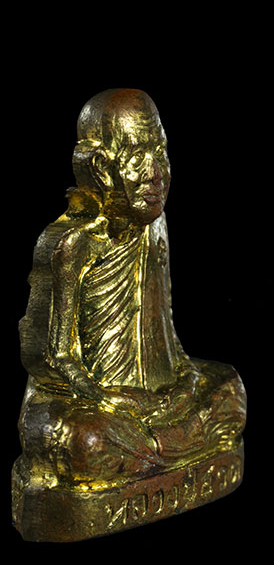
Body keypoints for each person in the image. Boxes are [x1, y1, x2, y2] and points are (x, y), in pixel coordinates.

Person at [17, 89, 246, 485]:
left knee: (230, 390)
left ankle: (150, 453)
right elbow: (53, 359)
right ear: (102, 168)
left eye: (161, 153)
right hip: (101, 405)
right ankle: (160, 448)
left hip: (158, 398)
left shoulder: (155, 227)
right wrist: (109, 398)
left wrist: (185, 381)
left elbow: (166, 334)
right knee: (83, 441)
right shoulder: (72, 244)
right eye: (138, 156)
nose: (156, 172)